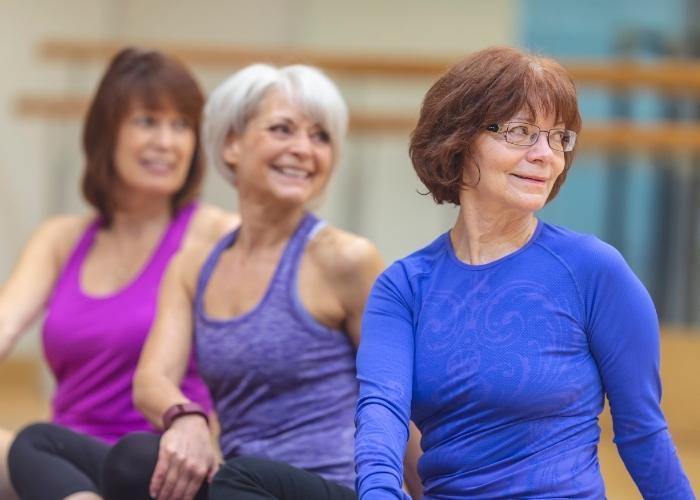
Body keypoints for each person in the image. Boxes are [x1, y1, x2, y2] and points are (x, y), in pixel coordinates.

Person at [354, 46, 695, 499]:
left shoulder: (593, 270)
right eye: (521, 132)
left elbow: (642, 433)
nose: (546, 155)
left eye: (559, 138)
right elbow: (382, 413)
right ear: (459, 138)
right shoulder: (403, 287)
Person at [102, 62, 422, 500]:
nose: (303, 149)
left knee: (241, 477)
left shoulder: (346, 260)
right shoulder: (194, 267)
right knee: (134, 459)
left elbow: (398, 401)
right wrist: (186, 418)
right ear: (232, 143)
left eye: (320, 136)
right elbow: (151, 382)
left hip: (332, 489)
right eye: (283, 129)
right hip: (244, 489)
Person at [3, 47, 238, 500]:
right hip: (59, 461)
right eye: (147, 121)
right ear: (106, 134)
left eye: (182, 125)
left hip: (160, 464)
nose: (166, 142)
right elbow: (4, 322)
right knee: (28, 445)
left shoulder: (218, 234)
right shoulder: (61, 238)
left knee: (98, 457)